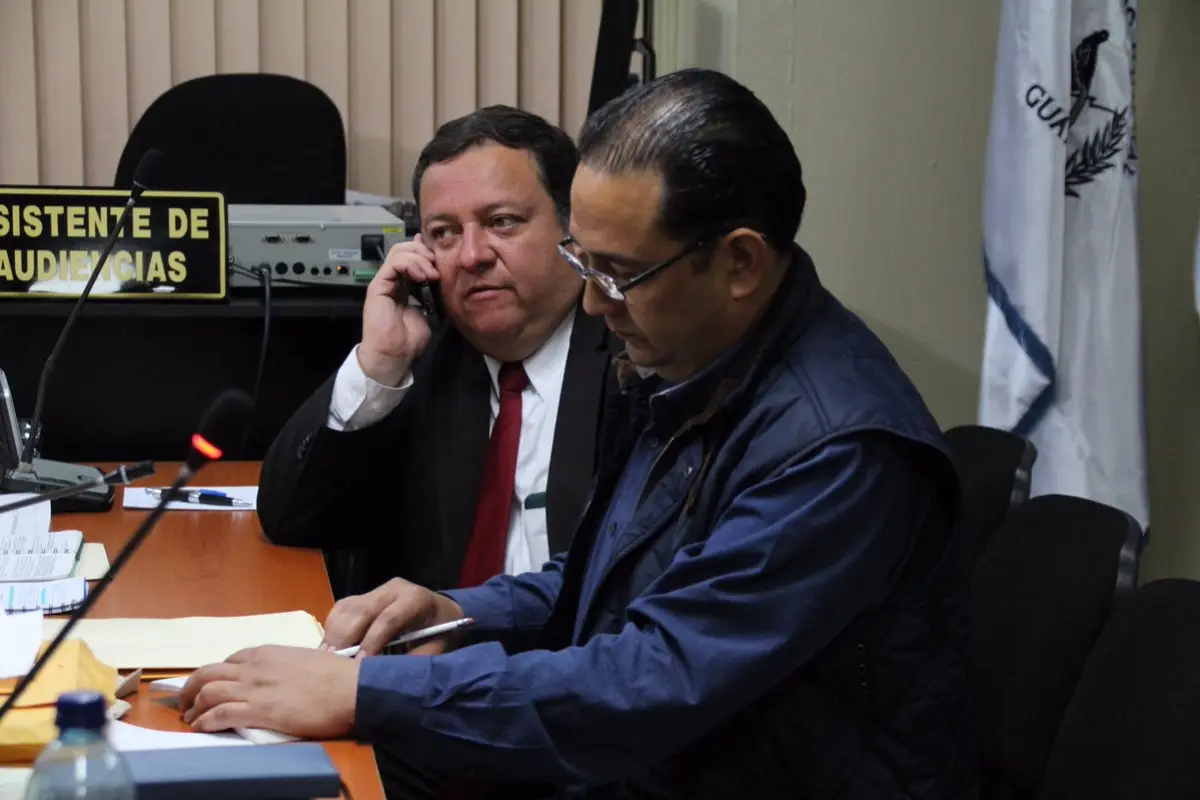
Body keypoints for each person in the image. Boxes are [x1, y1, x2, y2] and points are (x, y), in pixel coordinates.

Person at [181, 69, 976, 799]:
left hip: (713, 769)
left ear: (738, 264)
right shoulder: (700, 357)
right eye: (583, 263)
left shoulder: (837, 449)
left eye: (618, 274)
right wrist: (457, 609)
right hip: (656, 752)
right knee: (252, 766)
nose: (594, 306)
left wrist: (364, 692)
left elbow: (654, 679)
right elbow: (607, 572)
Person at [256, 106, 616, 596]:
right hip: (434, 664)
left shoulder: (635, 359)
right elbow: (289, 518)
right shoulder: (421, 365)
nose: (472, 255)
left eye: (502, 221)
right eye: (444, 232)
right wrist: (378, 364)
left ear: (572, 229)